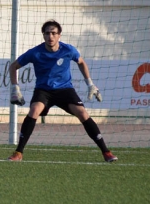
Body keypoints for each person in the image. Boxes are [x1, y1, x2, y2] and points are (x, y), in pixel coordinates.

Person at [8, 19, 118, 163]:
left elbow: (81, 62)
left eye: (53, 33)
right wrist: (15, 87)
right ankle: (18, 153)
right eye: (47, 33)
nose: (50, 36)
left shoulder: (68, 50)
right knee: (34, 111)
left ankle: (106, 152)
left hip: (65, 90)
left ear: (59, 35)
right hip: (44, 90)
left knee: (82, 113)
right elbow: (13, 66)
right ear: (43, 35)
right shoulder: (35, 52)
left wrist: (90, 84)